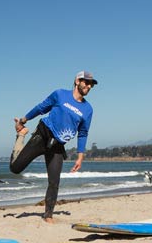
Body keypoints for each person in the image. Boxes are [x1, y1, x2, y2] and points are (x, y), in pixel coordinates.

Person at [9, 71, 96, 223]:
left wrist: (80, 156)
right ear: (77, 81)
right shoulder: (60, 94)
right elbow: (41, 107)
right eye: (86, 82)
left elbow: (83, 132)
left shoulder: (88, 109)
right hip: (42, 137)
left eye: (91, 84)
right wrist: (23, 120)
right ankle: (21, 135)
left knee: (54, 182)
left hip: (57, 147)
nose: (88, 86)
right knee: (15, 168)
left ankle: (48, 215)